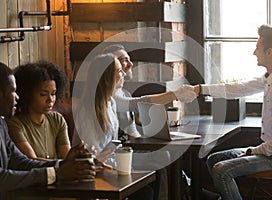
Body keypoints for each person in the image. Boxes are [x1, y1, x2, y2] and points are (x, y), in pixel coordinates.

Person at [192, 24, 272, 199]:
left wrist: (251, 151)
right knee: (213, 159)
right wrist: (199, 89)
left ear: (269, 52)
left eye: (258, 47)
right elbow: (239, 88)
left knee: (221, 171)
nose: (254, 52)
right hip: (271, 152)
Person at [0, 62, 95, 200]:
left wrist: (63, 164)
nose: (17, 97)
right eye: (12, 91)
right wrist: (56, 174)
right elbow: (2, 178)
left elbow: (21, 162)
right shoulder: (12, 124)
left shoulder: (1, 124)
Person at [73, 53, 154, 200]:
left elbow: (113, 143)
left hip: (110, 164)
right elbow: (90, 151)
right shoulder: (88, 110)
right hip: (93, 169)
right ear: (106, 77)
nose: (123, 73)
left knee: (149, 184)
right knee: (145, 192)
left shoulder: (111, 102)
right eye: (119, 71)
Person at [103, 44, 197, 140]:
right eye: (124, 60)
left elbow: (133, 133)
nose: (131, 64)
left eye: (129, 59)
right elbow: (136, 104)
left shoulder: (125, 93)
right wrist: (175, 94)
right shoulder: (106, 95)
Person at [5, 61, 71, 161]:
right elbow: (31, 161)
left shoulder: (57, 120)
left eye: (53, 94)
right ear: (27, 94)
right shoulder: (15, 123)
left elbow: (67, 157)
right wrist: (63, 164)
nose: (50, 100)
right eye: (43, 94)